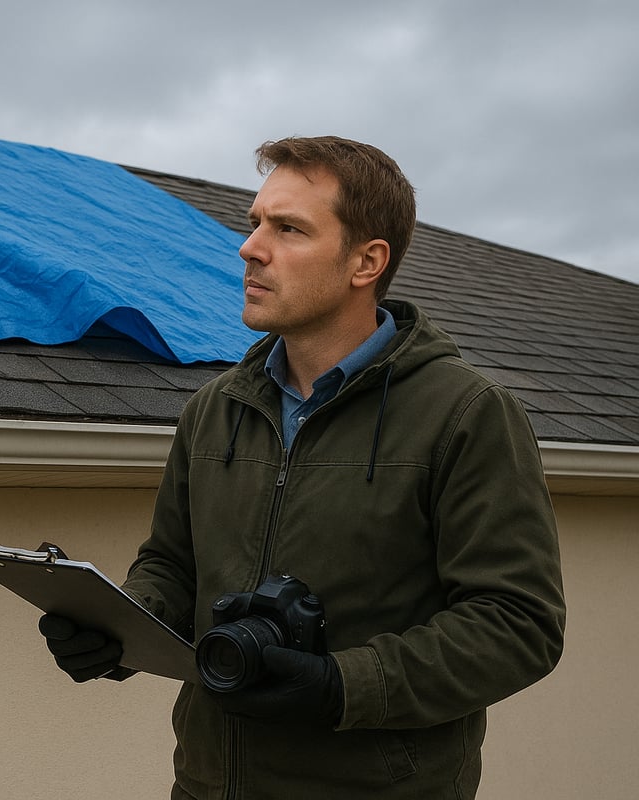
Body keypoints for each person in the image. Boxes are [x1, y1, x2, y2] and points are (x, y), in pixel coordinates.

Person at [39, 135, 566, 798]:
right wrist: (121, 628)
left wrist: (341, 686)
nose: (250, 247)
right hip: (207, 784)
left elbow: (519, 624)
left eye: (288, 229)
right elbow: (172, 566)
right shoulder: (213, 408)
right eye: (255, 222)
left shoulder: (466, 414)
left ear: (366, 261)